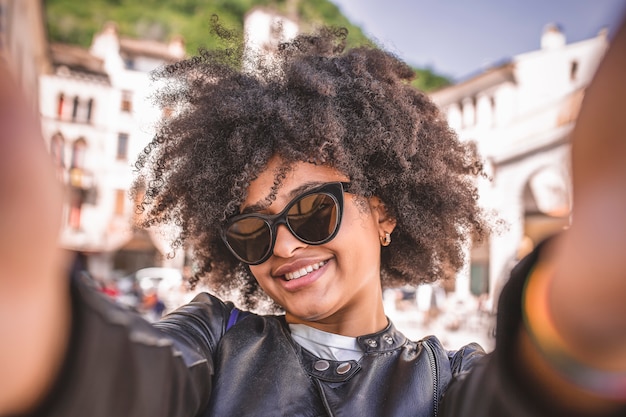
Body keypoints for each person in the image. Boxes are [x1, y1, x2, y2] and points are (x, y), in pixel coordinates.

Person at [1, 16, 625, 417]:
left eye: (312, 210)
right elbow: (122, 380)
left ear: (383, 210)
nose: (284, 245)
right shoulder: (211, 342)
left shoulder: (450, 384)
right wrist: (32, 325)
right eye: (252, 230)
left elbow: (527, 397)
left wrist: (582, 316)